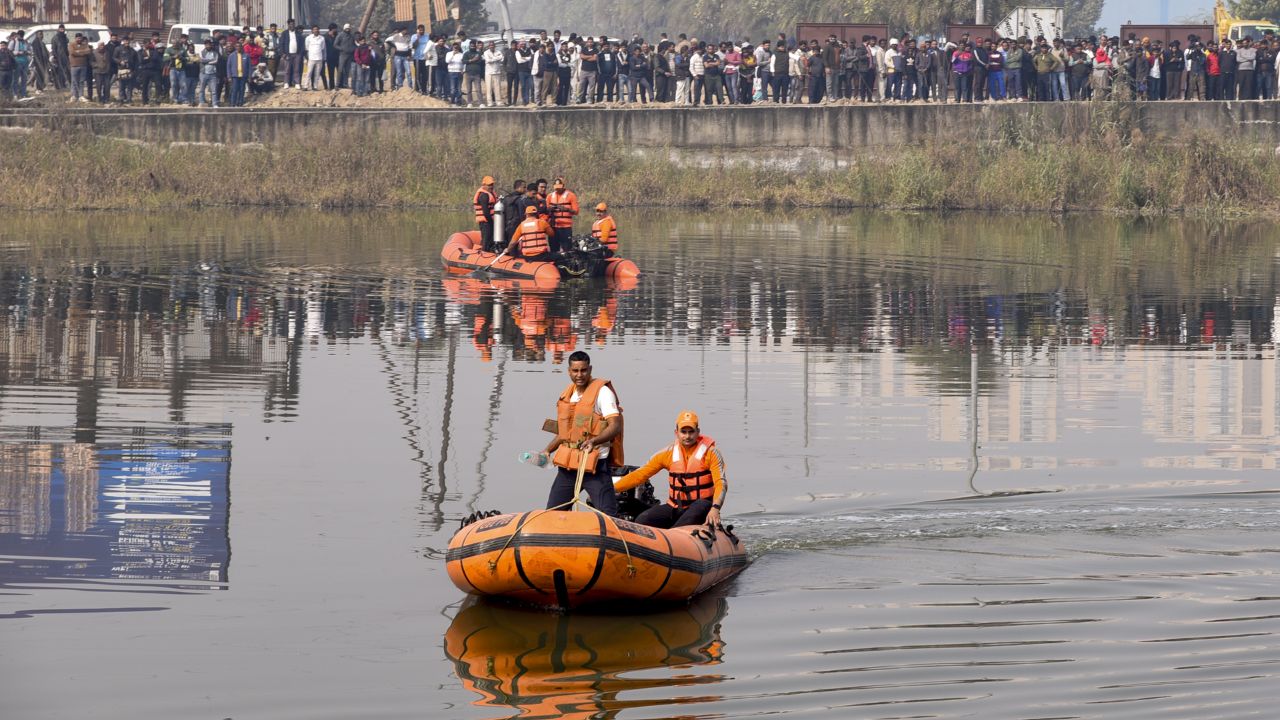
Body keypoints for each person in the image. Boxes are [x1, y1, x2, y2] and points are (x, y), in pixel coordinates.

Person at [540, 351, 622, 516]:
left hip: (595, 467)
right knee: (552, 514)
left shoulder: (603, 393)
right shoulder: (568, 395)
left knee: (608, 516)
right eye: (575, 371)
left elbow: (615, 426)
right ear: (569, 371)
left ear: (590, 369)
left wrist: (594, 441)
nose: (579, 375)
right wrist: (548, 450)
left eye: (583, 370)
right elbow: (566, 433)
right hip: (568, 467)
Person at [615, 411, 726, 528]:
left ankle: (676, 534)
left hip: (702, 506)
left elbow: (721, 483)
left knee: (700, 507)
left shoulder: (711, 453)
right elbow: (640, 475)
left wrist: (715, 508)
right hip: (675, 507)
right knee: (642, 520)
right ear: (676, 433)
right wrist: (612, 489)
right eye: (683, 432)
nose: (687, 436)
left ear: (698, 432)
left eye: (691, 432)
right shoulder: (667, 454)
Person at [546, 178, 579, 253]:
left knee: (567, 249)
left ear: (564, 186)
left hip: (565, 228)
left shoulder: (571, 196)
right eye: (556, 188)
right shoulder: (549, 196)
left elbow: (576, 211)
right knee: (553, 249)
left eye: (559, 188)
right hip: (553, 227)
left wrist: (566, 209)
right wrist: (550, 209)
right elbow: (545, 211)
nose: (558, 190)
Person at [473, 175, 497, 252]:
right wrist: (491, 222)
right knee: (486, 238)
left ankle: (488, 250)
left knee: (490, 238)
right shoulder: (483, 195)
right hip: (486, 222)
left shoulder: (491, 193)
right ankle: (483, 252)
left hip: (490, 220)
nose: (491, 186)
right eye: (489, 185)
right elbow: (486, 212)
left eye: (492, 184)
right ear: (484, 185)